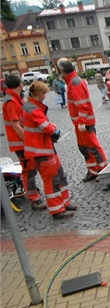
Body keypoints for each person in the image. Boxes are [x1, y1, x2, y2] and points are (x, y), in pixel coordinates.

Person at [21, 81, 77, 220]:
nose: (45, 96)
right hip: (42, 151)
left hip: (45, 149)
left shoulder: (30, 106)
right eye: (44, 93)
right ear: (39, 94)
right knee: (52, 180)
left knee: (60, 176)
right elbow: (46, 128)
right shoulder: (33, 109)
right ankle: (57, 210)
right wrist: (54, 129)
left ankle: (64, 203)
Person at [57, 58, 108, 182]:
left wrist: (81, 122)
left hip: (84, 123)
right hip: (81, 123)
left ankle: (104, 172)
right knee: (84, 148)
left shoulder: (74, 83)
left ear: (62, 70)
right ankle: (93, 171)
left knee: (93, 148)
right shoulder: (73, 81)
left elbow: (82, 105)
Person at [1, 74, 47, 210]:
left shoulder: (14, 99)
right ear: (20, 84)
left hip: (22, 142)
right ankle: (33, 199)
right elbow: (16, 125)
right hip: (21, 144)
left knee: (31, 169)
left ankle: (33, 193)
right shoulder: (11, 101)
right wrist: (29, 141)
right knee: (29, 171)